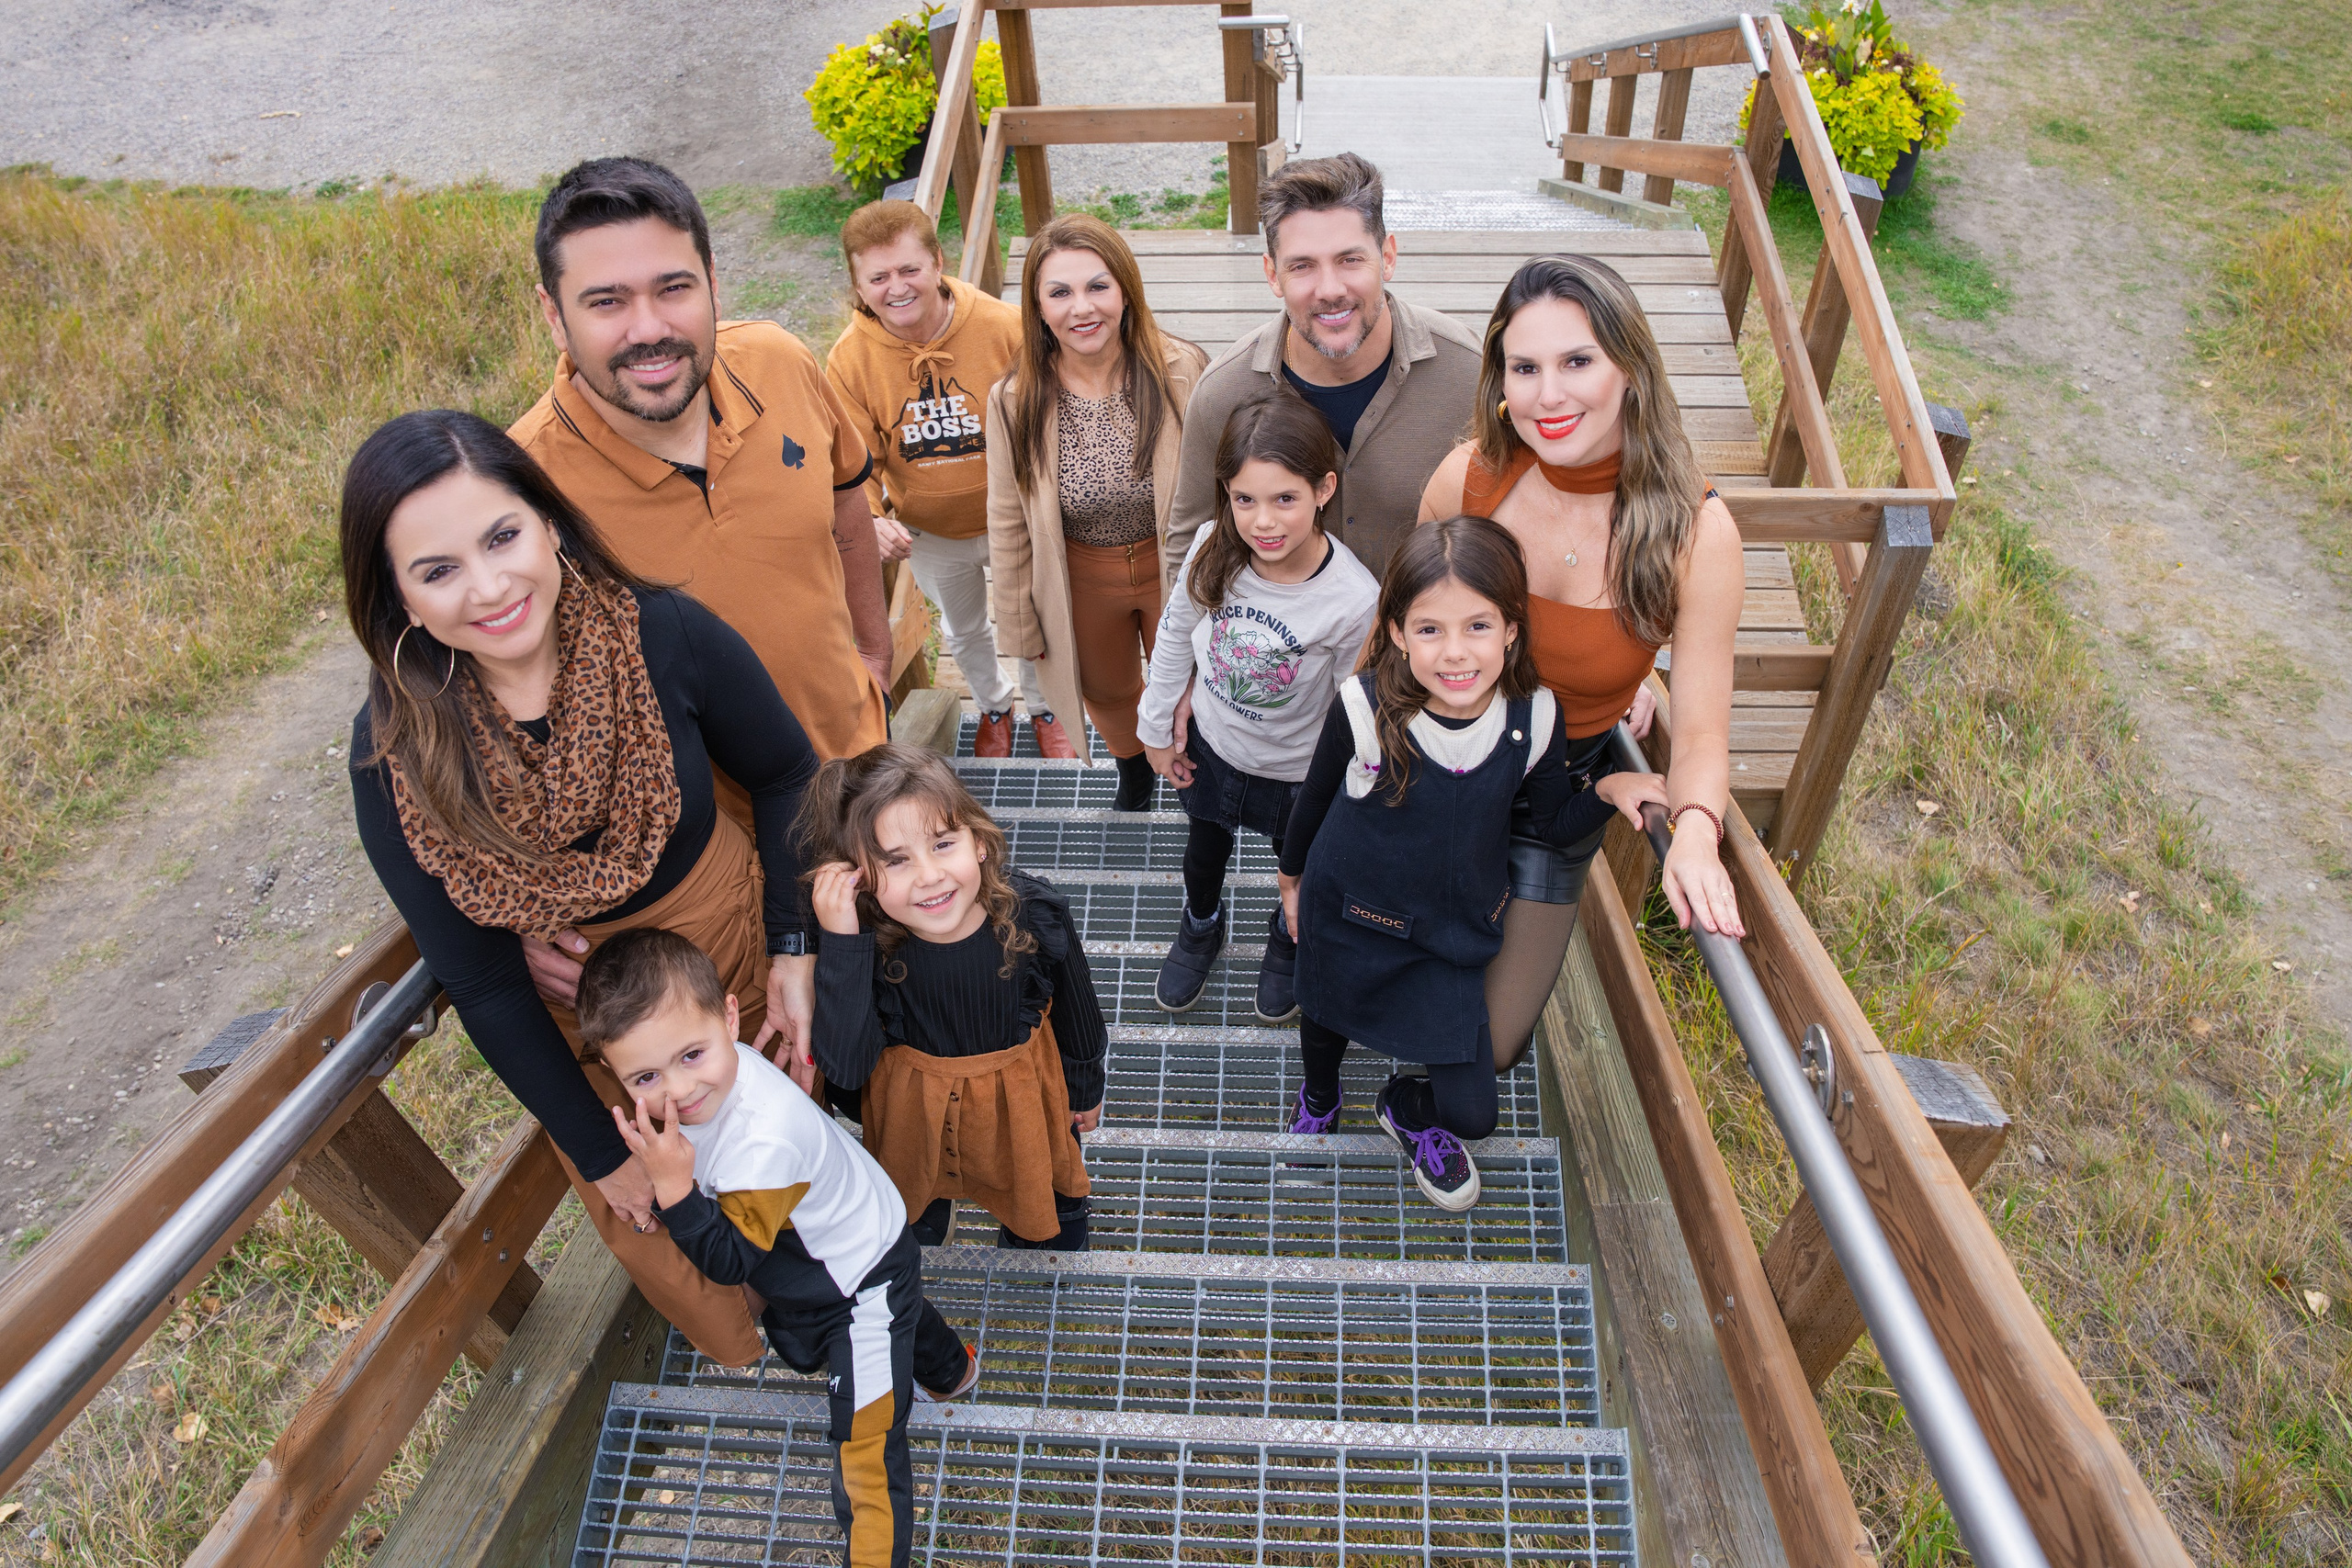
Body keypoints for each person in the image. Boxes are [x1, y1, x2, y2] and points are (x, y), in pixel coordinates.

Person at [344, 409, 820, 1369]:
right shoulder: (394, 755)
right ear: (395, 597)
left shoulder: (663, 634)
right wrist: (600, 1155)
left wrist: (795, 950)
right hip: (590, 1040)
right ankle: (777, 1342)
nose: (489, 587)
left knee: (789, 1157)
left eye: (502, 536)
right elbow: (480, 982)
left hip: (728, 961)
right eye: (436, 571)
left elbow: (783, 774)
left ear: (549, 521)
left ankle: (842, 1302)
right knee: (671, 1227)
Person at [511, 157, 892, 1007]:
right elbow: (472, 713)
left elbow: (845, 502)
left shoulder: (781, 362)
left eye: (673, 287)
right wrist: (519, 909)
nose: (648, 327)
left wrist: (875, 647)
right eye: (605, 302)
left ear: (715, 282)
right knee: (794, 1065)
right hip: (725, 871)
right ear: (553, 314)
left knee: (909, 1015)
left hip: (865, 782)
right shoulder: (523, 496)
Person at [1280, 517, 1668, 1211]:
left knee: (1475, 1113)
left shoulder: (1534, 718)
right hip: (1350, 913)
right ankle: (1320, 1094)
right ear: (1396, 631)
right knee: (1325, 1016)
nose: (1455, 653)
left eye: (1478, 627)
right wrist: (1291, 880)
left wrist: (1607, 789)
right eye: (1429, 629)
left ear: (1513, 627)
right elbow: (1311, 802)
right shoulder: (1365, 708)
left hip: (1448, 939)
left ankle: (1405, 1104)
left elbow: (1547, 824)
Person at [1419, 254, 1747, 1072]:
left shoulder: (1694, 535)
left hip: (1557, 797)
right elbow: (1393, 638)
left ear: (1630, 367)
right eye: (1525, 368)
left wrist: (1697, 834)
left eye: (1577, 362)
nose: (1549, 396)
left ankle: (1431, 1100)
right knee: (1407, 968)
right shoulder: (1469, 481)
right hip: (1436, 765)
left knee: (1490, 1047)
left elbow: (1703, 732)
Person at [586, 928, 977, 1568]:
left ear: (730, 1016)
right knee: (904, 1316)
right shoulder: (725, 1072)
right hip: (848, 1235)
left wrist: (674, 1191)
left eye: (692, 1055)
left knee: (865, 1444)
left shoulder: (762, 1139)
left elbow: (733, 1262)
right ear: (614, 1071)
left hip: (862, 1277)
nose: (679, 1091)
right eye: (647, 1075)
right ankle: (953, 1370)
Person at [802, 744, 1104, 1251]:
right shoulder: (863, 944)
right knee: (918, 1180)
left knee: (1044, 1203)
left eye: (943, 844)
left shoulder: (1034, 912)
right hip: (914, 1118)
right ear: (859, 878)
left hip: (1022, 1105)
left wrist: (1085, 1086)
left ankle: (1044, 1222)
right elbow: (848, 1071)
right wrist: (841, 943)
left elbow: (1080, 1011)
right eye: (895, 861)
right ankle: (929, 1210)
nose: (928, 876)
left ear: (978, 841)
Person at [1136, 391, 1377, 1023]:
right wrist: (1156, 726)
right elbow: (1174, 630)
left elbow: (1352, 705)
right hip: (1213, 746)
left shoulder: (1352, 599)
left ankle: (1286, 933)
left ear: (1324, 489)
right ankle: (1201, 920)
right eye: (1245, 499)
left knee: (1294, 861)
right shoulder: (1216, 546)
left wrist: (1343, 789)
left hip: (1297, 772)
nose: (1264, 522)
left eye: (1284, 499)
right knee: (1203, 847)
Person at [1164, 153, 1483, 585]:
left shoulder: (1470, 375)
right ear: (1272, 274)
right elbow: (1190, 547)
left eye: (1350, 260)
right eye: (1302, 267)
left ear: (1387, 257)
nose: (1330, 290)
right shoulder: (1223, 393)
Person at [825, 200, 1070, 759]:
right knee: (963, 629)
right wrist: (871, 515)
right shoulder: (849, 361)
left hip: (1016, 516)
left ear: (937, 262)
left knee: (1037, 622)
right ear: (859, 286)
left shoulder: (1004, 326)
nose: (897, 288)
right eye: (879, 277)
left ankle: (1045, 707)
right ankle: (992, 705)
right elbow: (846, 457)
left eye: (909, 269)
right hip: (930, 528)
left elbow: (1053, 410)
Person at [986, 213, 1209, 811]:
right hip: (1083, 572)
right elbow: (1007, 517)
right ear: (1037, 306)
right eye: (1059, 292)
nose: (1081, 307)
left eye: (1097, 286)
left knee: (1194, 680)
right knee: (1107, 689)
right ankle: (1134, 769)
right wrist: (1018, 621)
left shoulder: (1182, 371)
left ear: (1126, 291)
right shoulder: (1015, 399)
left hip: (1176, 567)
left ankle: (1198, 775)